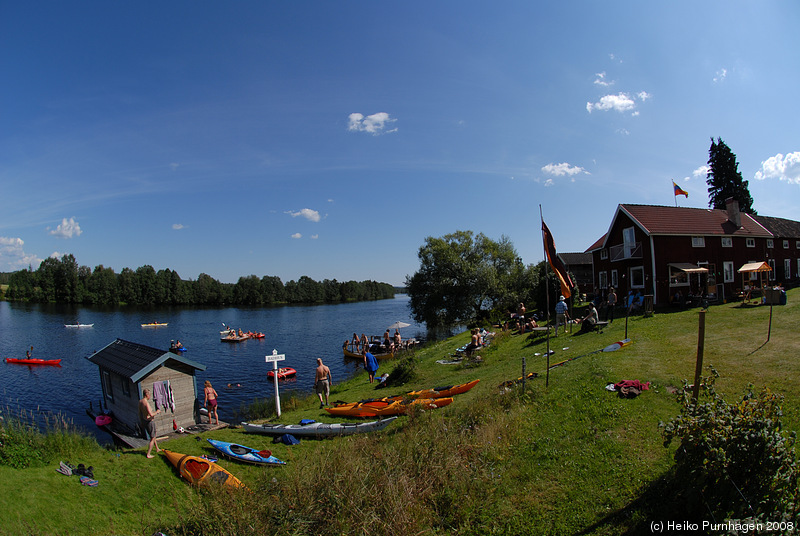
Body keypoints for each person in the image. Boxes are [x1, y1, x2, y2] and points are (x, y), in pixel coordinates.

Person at [139, 388, 161, 459]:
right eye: (149, 395)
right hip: (150, 422)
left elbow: (140, 413)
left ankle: (157, 448)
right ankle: (148, 454)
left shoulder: (140, 402)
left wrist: (141, 421)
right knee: (152, 438)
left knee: (153, 435)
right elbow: (151, 414)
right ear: (147, 395)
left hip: (144, 421)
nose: (150, 396)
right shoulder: (146, 403)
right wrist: (157, 412)